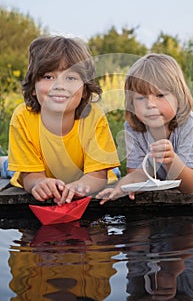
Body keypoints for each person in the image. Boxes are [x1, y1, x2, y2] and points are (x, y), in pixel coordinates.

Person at [96, 53, 193, 204]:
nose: (150, 104)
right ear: (131, 103)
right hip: (166, 173)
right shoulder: (132, 128)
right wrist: (123, 186)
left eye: (160, 95)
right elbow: (138, 174)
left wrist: (171, 160)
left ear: (178, 97)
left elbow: (189, 186)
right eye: (140, 98)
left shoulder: (191, 124)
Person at [5, 35, 120, 205]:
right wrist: (39, 183)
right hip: (37, 166)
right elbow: (30, 175)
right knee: (10, 168)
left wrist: (81, 186)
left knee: (113, 172)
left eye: (71, 78)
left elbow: (97, 175)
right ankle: (5, 161)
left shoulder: (94, 116)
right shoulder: (22, 117)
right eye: (48, 77)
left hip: (86, 171)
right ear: (33, 87)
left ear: (85, 90)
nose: (59, 85)